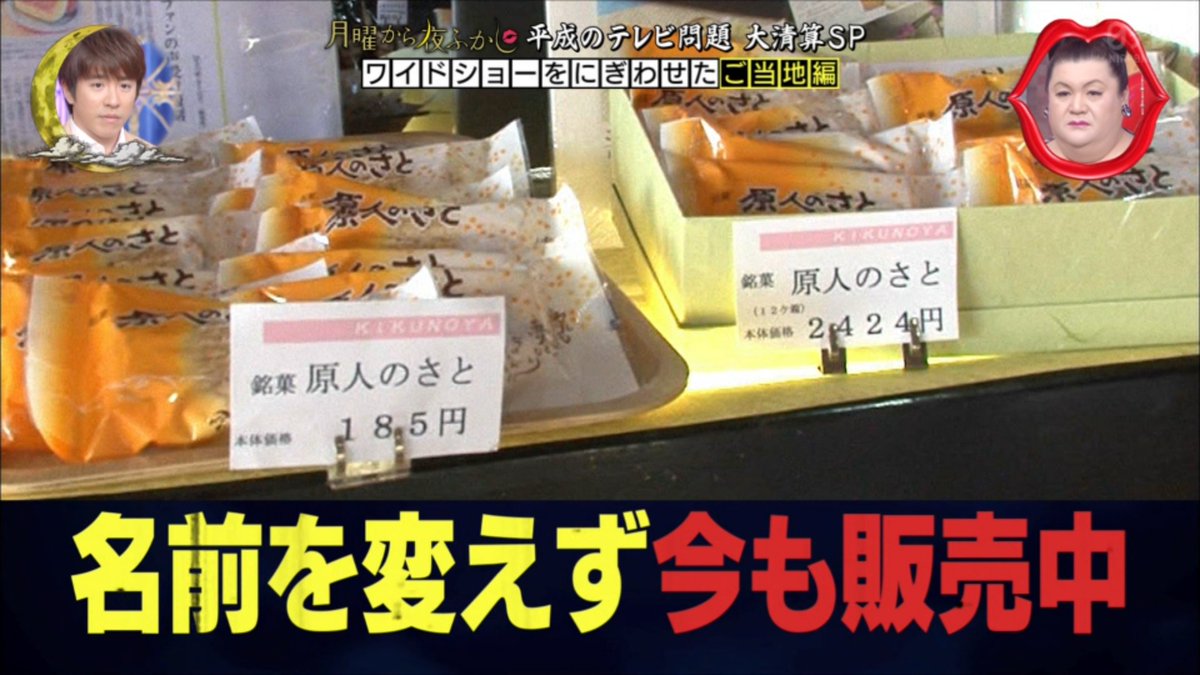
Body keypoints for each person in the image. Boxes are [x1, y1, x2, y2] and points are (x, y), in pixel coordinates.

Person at [57, 26, 151, 155]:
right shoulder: (41, 162)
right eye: (98, 85)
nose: (113, 101)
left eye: (124, 86)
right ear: (68, 91)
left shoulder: (155, 160)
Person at [1043, 36, 1135, 164]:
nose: (1077, 108)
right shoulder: (1023, 161)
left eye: (1093, 93)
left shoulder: (1155, 157)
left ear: (1123, 97)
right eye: (1063, 93)